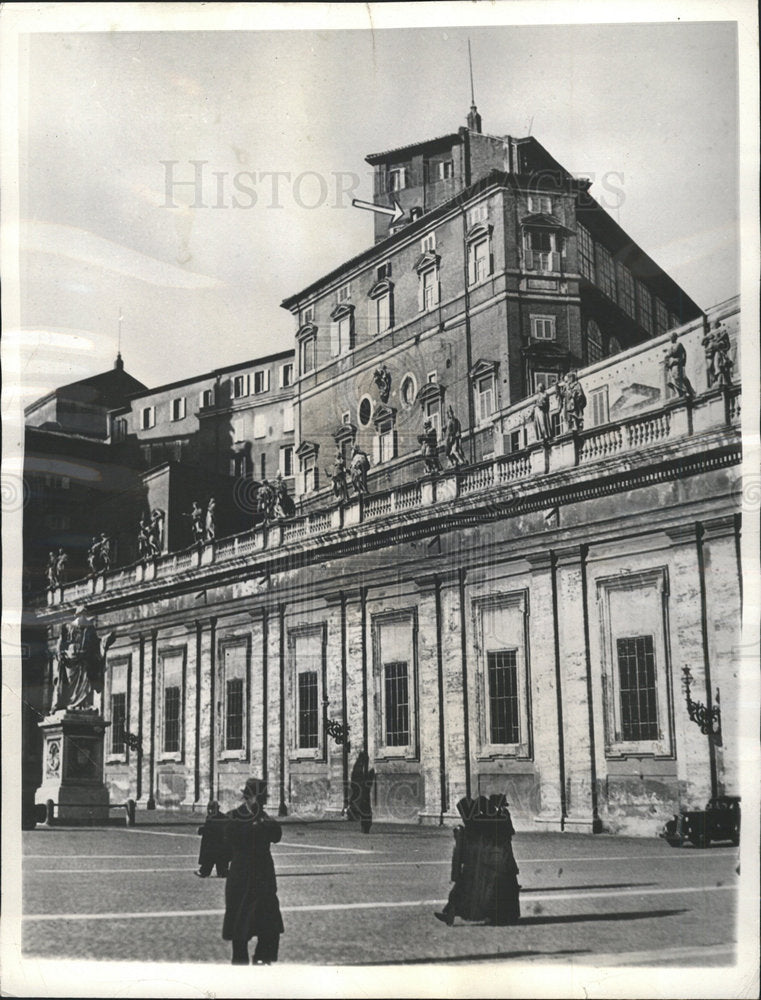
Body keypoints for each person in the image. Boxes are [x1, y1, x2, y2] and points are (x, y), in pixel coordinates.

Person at [222, 777, 284, 965]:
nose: (263, 802)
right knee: (239, 927)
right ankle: (240, 966)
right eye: (260, 798)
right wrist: (255, 827)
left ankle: (263, 962)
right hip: (241, 878)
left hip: (264, 878)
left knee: (271, 927)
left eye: (264, 798)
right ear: (248, 797)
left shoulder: (265, 818)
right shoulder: (234, 816)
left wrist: (265, 823)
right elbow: (231, 839)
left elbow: (277, 835)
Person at [435, 794, 520, 927]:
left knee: (486, 890)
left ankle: (499, 916)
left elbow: (498, 835)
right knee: (472, 888)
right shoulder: (493, 817)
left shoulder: (498, 816)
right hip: (492, 860)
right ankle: (450, 914)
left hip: (495, 860)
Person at [195, 800, 230, 878]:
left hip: (214, 844)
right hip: (221, 844)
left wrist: (201, 830)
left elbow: (210, 829)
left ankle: (204, 871)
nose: (210, 811)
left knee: (209, 856)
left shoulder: (213, 818)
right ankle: (221, 871)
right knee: (219, 859)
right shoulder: (222, 817)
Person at [347, 750, 375, 834]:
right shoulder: (358, 768)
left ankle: (365, 826)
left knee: (365, 809)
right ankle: (365, 825)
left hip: (362, 792)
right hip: (361, 791)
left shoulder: (358, 767)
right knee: (364, 809)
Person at [665, 332, 694, 398]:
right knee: (671, 380)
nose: (670, 339)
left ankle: (684, 391)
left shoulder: (678, 344)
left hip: (676, 364)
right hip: (671, 366)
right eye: (670, 338)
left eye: (671, 337)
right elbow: (668, 356)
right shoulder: (670, 347)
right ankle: (678, 393)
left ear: (675, 338)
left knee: (677, 378)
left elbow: (675, 353)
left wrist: (669, 352)